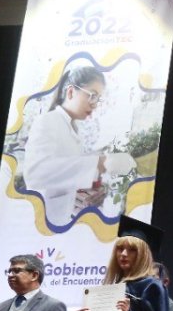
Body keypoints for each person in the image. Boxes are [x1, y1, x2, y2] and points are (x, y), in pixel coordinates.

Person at [23, 66, 137, 226]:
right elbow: (35, 173)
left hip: (65, 223)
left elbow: (66, 177)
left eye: (98, 99)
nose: (95, 104)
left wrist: (87, 194)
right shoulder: (48, 121)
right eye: (92, 96)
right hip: (42, 225)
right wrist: (99, 163)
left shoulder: (74, 129)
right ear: (70, 92)